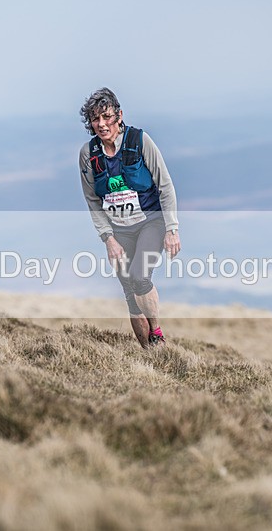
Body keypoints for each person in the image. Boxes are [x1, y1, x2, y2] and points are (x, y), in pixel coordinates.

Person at [78, 88, 180, 348]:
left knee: (139, 276)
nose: (101, 124)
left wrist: (172, 229)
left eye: (107, 117)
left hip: (150, 222)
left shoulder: (139, 141)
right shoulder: (89, 154)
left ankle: (156, 333)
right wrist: (107, 238)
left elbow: (165, 186)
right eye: (95, 119)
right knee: (129, 293)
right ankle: (150, 354)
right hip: (118, 230)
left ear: (119, 115)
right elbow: (92, 200)